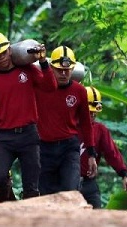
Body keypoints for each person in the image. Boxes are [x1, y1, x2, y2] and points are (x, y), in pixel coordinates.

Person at [0, 32, 56, 201]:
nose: (1, 58)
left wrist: (43, 62)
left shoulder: (27, 70)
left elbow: (50, 87)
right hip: (5, 137)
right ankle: (9, 204)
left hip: (29, 135)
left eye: (4, 53)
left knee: (31, 186)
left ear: (11, 51)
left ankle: (30, 219)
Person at [35, 45, 97, 195]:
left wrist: (91, 154)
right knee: (45, 194)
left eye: (67, 70)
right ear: (51, 68)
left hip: (69, 148)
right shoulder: (40, 88)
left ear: (73, 69)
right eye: (59, 70)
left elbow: (86, 124)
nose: (64, 74)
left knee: (71, 190)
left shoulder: (80, 91)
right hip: (44, 148)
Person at [79, 86, 127, 208]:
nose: (92, 114)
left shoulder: (100, 130)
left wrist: (124, 174)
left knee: (97, 216)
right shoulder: (67, 127)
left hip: (88, 183)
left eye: (95, 111)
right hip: (66, 184)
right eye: (89, 111)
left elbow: (112, 153)